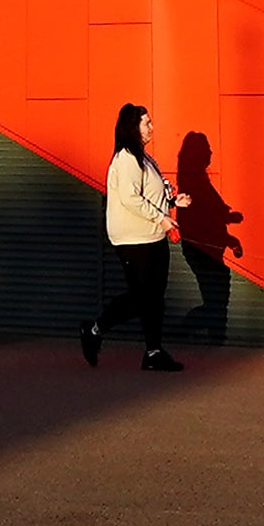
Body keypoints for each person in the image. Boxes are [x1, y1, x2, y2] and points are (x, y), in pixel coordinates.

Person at [81, 100, 182, 369]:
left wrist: (172, 202)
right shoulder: (126, 158)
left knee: (154, 296)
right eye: (147, 122)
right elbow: (129, 198)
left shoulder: (145, 157)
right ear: (133, 127)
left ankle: (153, 353)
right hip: (133, 239)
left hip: (153, 236)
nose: (152, 127)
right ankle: (94, 329)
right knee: (141, 296)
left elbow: (151, 192)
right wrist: (161, 218)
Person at [173, 125, 243, 347]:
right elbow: (201, 218)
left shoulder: (197, 181)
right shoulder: (194, 183)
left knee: (217, 297)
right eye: (207, 149)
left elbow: (209, 215)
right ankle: (189, 333)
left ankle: (214, 340)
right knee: (217, 299)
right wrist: (227, 228)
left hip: (206, 249)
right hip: (201, 250)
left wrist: (228, 221)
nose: (211, 153)